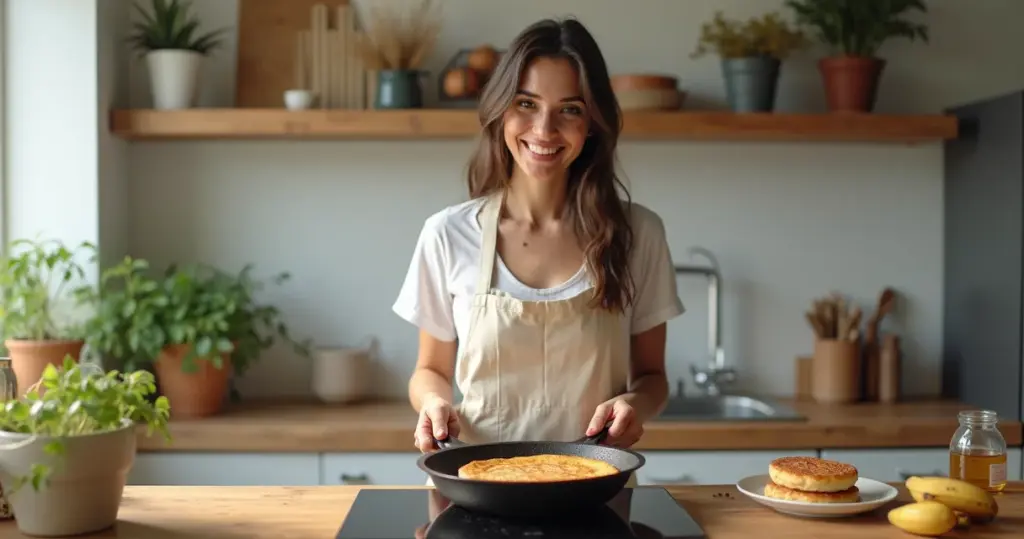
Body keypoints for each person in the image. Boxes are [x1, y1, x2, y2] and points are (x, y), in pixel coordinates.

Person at [392, 17, 685, 470]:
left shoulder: (638, 234)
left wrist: (636, 405)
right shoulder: (448, 234)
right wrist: (433, 403)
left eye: (569, 109)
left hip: (596, 490)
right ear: (500, 109)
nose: (544, 129)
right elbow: (429, 371)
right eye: (526, 103)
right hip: (477, 488)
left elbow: (653, 378)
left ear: (592, 123)